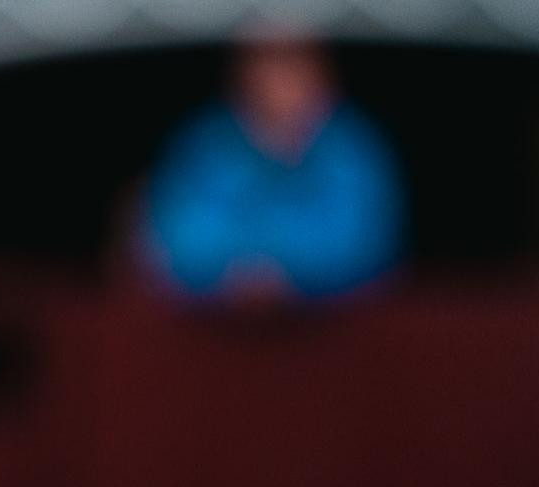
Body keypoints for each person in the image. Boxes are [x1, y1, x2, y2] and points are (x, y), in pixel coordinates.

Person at [138, 27, 404, 305]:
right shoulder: (205, 143)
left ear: (324, 71)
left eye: (297, 60)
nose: (283, 78)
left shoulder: (354, 146)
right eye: (268, 60)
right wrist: (244, 272)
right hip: (214, 333)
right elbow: (177, 241)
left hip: (339, 332)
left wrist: (284, 274)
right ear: (240, 72)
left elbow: (366, 244)